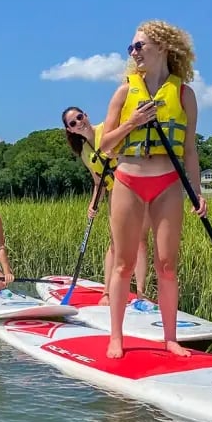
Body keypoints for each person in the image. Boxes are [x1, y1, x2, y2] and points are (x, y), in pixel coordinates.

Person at [99, 20, 208, 359]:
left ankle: (170, 339)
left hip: (168, 184)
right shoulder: (124, 92)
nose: (134, 52)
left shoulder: (183, 94)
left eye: (139, 46)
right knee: (123, 263)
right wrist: (133, 123)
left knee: (167, 264)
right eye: (131, 48)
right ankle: (116, 336)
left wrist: (197, 191)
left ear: (162, 47)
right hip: (129, 180)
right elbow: (106, 146)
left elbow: (189, 150)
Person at [61, 106, 151, 304]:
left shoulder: (108, 128)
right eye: (73, 123)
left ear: (86, 114)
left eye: (79, 117)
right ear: (71, 130)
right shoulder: (85, 152)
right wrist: (93, 203)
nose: (79, 122)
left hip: (135, 185)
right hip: (114, 193)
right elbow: (97, 180)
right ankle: (107, 294)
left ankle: (141, 294)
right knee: (115, 243)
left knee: (140, 241)